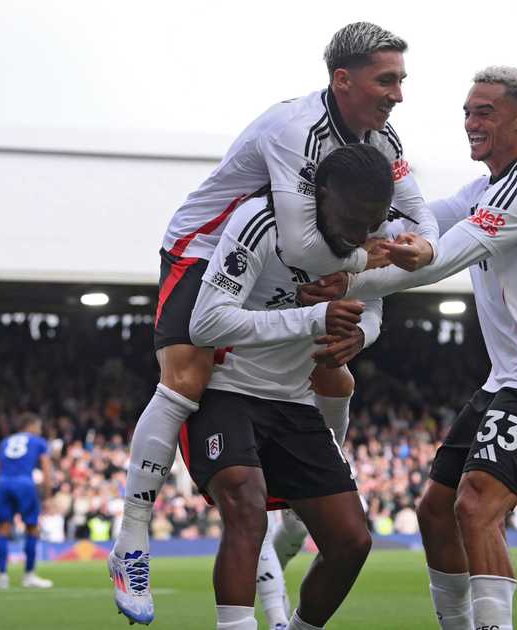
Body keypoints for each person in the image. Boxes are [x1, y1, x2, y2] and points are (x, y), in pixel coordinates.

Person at [109, 21, 439, 625]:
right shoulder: (296, 130)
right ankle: (132, 535)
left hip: (289, 266)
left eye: (401, 79)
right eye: (385, 79)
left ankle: (309, 497)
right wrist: (376, 261)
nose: (397, 93)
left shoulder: (381, 142)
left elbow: (421, 222)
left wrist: (423, 251)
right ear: (343, 80)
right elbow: (303, 244)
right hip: (210, 244)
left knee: (334, 375)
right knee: (187, 376)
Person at [300, 67, 517, 630]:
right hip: (506, 379)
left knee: (476, 507)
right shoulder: (487, 187)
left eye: (484, 111)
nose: (471, 122)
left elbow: (441, 254)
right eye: (466, 111)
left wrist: (352, 275)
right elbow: (428, 222)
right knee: (436, 510)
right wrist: (368, 232)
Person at [178, 144, 390, 630]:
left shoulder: (369, 239)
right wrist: (311, 315)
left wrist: (360, 335)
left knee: (351, 541)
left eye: (371, 225)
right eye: (352, 221)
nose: (360, 236)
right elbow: (207, 322)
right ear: (320, 197)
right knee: (246, 505)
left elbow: (375, 304)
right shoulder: (262, 221)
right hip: (226, 389)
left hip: (294, 400)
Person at [0, 414, 54, 589]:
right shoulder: (38, 441)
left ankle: (2, 576)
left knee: (3, 529)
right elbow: (46, 468)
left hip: (4, 483)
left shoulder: (5, 442)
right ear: (31, 426)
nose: (40, 430)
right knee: (32, 528)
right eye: (39, 426)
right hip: (24, 483)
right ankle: (29, 575)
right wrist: (48, 495)